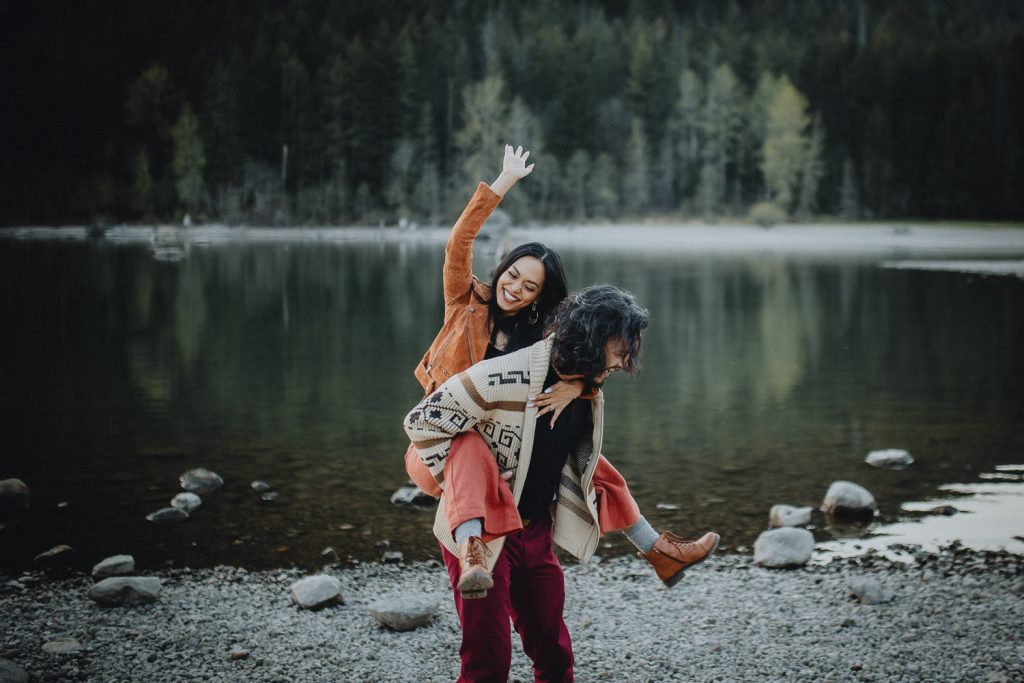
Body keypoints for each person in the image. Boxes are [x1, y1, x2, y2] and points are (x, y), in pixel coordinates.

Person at [405, 285, 719, 681]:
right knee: (488, 662)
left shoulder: (584, 382)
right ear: (592, 338)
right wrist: (460, 477)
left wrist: (585, 386)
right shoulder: (498, 376)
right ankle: (659, 551)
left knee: (553, 652)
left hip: (534, 530)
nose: (624, 362)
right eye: (621, 349)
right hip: (482, 537)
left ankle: (658, 550)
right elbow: (420, 422)